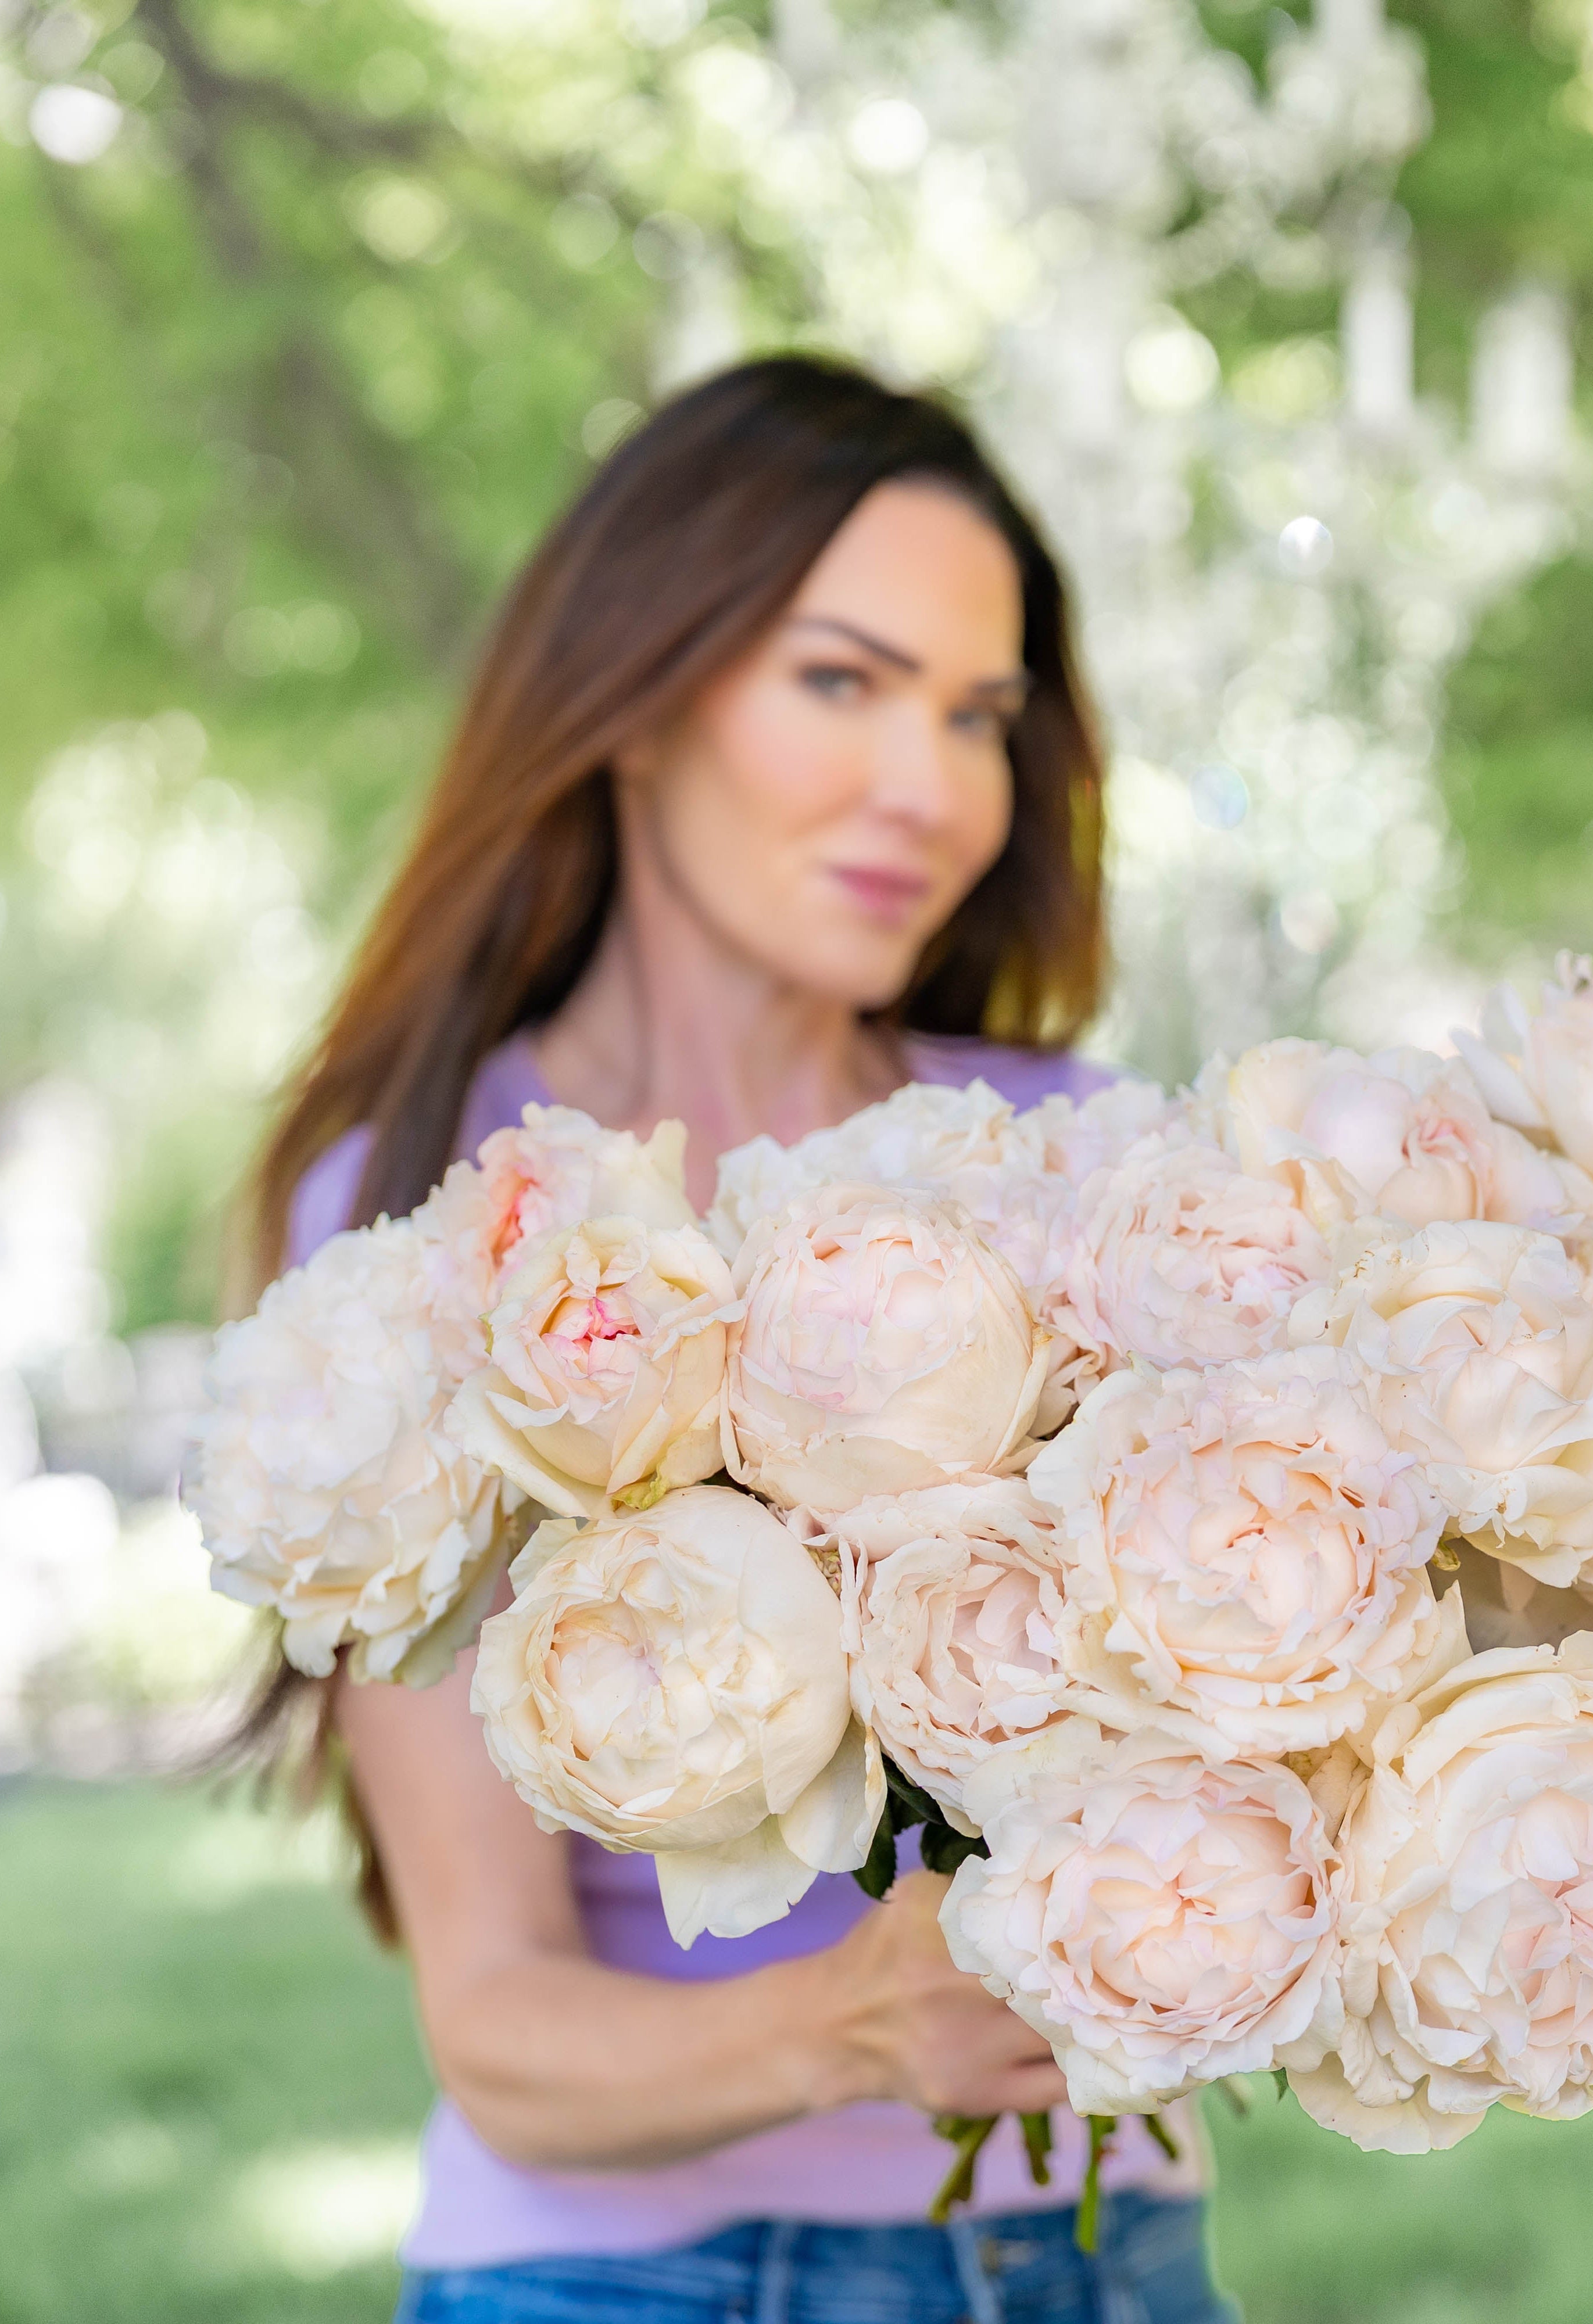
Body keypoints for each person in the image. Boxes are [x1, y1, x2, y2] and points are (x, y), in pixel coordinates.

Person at [244, 356, 1235, 2324]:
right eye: (842, 683)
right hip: (637, 2285)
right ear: (640, 691)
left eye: (977, 717)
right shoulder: (429, 1205)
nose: (930, 789)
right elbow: (502, 2027)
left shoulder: (1089, 1162)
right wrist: (858, 2034)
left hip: (1106, 2256)